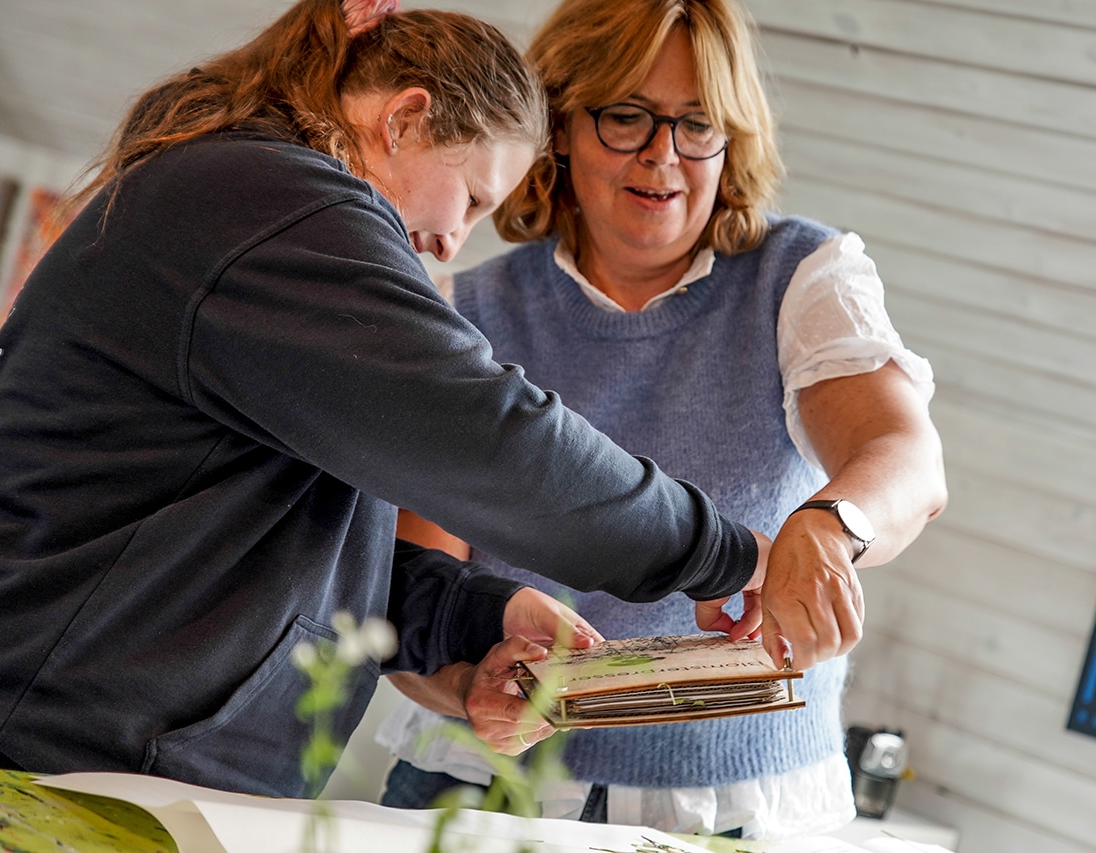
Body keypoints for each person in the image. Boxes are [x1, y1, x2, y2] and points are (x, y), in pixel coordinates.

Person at [0, 0, 777, 798]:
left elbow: (290, 546)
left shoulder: (249, 209)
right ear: (407, 120)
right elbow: (490, 438)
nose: (455, 240)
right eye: (472, 200)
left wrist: (474, 617)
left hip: (78, 752)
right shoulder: (270, 203)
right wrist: (723, 555)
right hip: (34, 762)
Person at [376, 0, 947, 839]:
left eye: (696, 125)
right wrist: (469, 689)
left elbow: (905, 456)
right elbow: (411, 592)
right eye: (627, 118)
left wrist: (828, 528)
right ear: (561, 124)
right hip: (485, 788)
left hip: (735, 803)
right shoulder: (467, 310)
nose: (663, 157)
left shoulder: (801, 278)